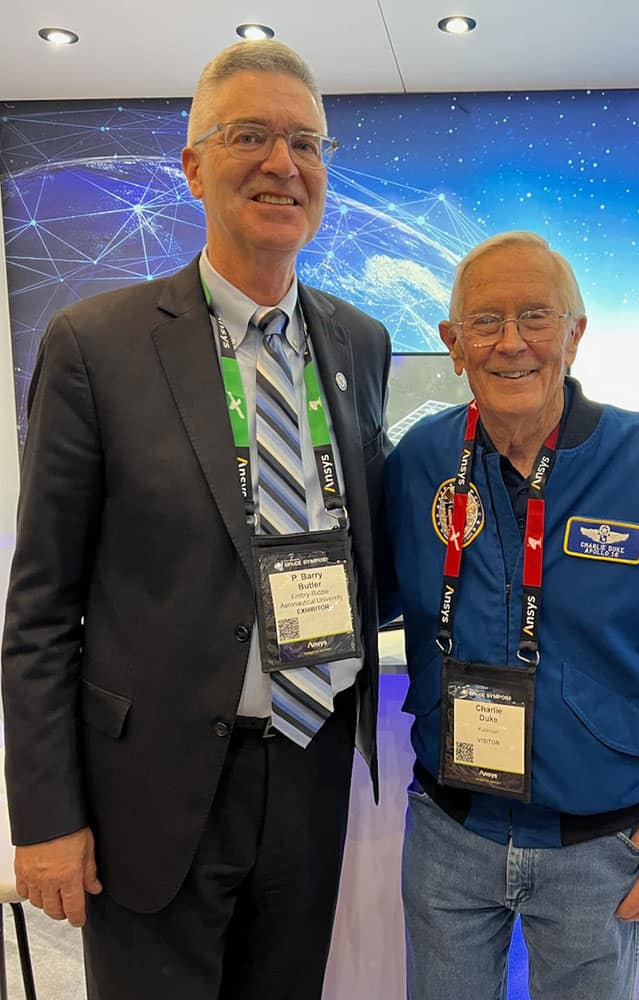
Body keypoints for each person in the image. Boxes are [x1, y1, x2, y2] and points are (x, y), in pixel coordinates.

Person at [2, 40, 391, 1000]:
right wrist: (45, 817)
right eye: (249, 135)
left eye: (305, 142)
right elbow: (41, 607)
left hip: (308, 768)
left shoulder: (358, 341)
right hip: (155, 787)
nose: (282, 164)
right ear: (192, 167)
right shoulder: (97, 345)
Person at [382, 231, 639, 1000]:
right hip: (449, 837)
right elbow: (369, 596)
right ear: (453, 346)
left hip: (602, 843)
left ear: (575, 334)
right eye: (485, 323)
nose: (513, 343)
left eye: (537, 316)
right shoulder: (421, 460)